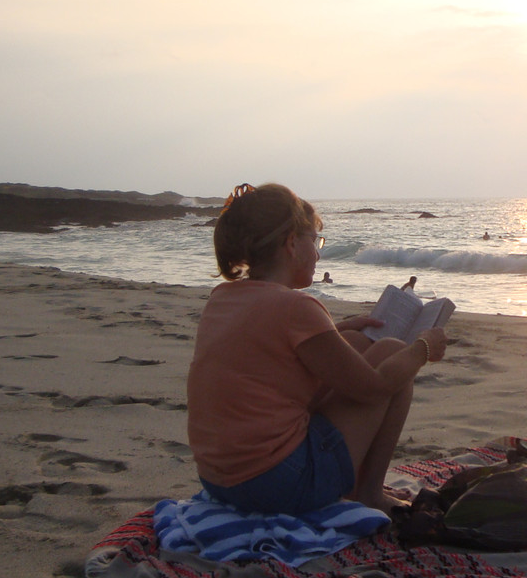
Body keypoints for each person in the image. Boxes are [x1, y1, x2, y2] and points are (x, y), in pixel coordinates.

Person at [187, 183, 447, 517]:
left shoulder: (223, 298)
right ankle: (367, 493)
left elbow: (268, 358)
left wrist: (336, 332)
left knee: (355, 343)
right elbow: (374, 388)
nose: (319, 253)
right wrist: (423, 348)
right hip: (279, 485)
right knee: (393, 352)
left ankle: (362, 485)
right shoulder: (296, 307)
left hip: (222, 481)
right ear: (292, 243)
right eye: (315, 240)